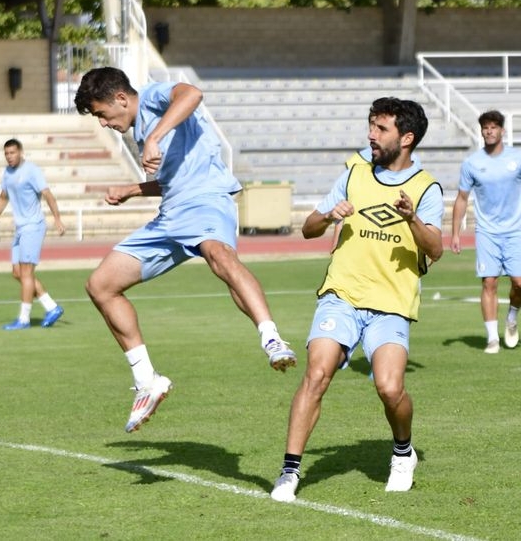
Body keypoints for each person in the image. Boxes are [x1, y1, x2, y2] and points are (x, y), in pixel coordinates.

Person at [73, 66, 296, 434]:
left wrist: (154, 137)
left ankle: (271, 338)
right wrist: (132, 190)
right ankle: (147, 381)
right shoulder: (141, 129)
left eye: (101, 113)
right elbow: (173, 179)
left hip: (207, 201)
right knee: (100, 285)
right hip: (171, 215)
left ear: (121, 99)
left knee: (219, 257)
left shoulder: (155, 96)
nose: (103, 123)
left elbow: (191, 94)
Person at [270, 97, 444, 502]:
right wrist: (331, 215)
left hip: (392, 303)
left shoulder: (426, 187)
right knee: (316, 373)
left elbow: (434, 248)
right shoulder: (354, 171)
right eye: (370, 126)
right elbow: (308, 228)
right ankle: (290, 472)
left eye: (381, 129)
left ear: (407, 137)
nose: (371, 135)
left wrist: (411, 218)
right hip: (342, 294)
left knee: (388, 387)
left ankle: (403, 451)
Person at [450, 110, 521, 354]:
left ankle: (512, 316)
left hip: (516, 231)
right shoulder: (472, 163)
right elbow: (461, 198)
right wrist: (456, 233)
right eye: (485, 127)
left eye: (493, 127)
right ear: (482, 131)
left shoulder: (517, 158)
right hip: (487, 232)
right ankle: (492, 339)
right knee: (489, 282)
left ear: (502, 130)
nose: (489, 131)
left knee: (519, 283)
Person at [0, 138, 66, 329]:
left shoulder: (32, 170)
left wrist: (57, 219)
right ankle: (51, 307)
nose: (10, 157)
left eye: (13, 152)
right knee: (17, 272)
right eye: (7, 154)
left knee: (26, 273)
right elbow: (3, 198)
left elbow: (48, 195)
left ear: (20, 152)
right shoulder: (7, 173)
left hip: (33, 226)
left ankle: (24, 319)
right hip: (21, 229)